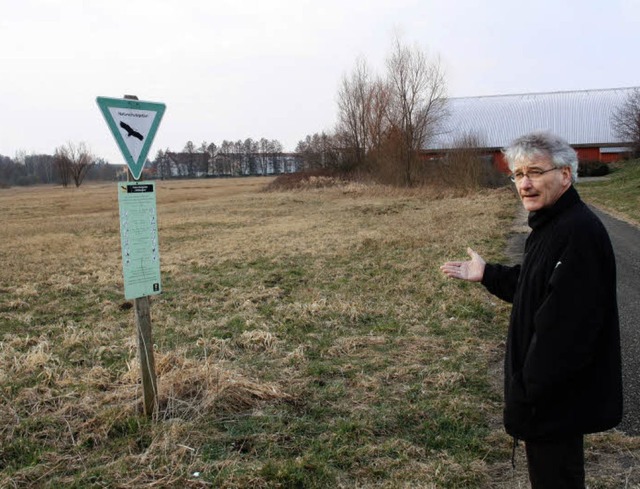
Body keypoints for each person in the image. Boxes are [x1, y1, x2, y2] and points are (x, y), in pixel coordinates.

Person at [440, 131, 622, 488]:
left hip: (553, 401)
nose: (524, 183)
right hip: (548, 399)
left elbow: (566, 332)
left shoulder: (578, 233)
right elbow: (535, 286)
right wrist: (489, 274)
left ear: (566, 175)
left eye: (535, 172)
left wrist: (527, 393)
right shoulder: (551, 224)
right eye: (518, 174)